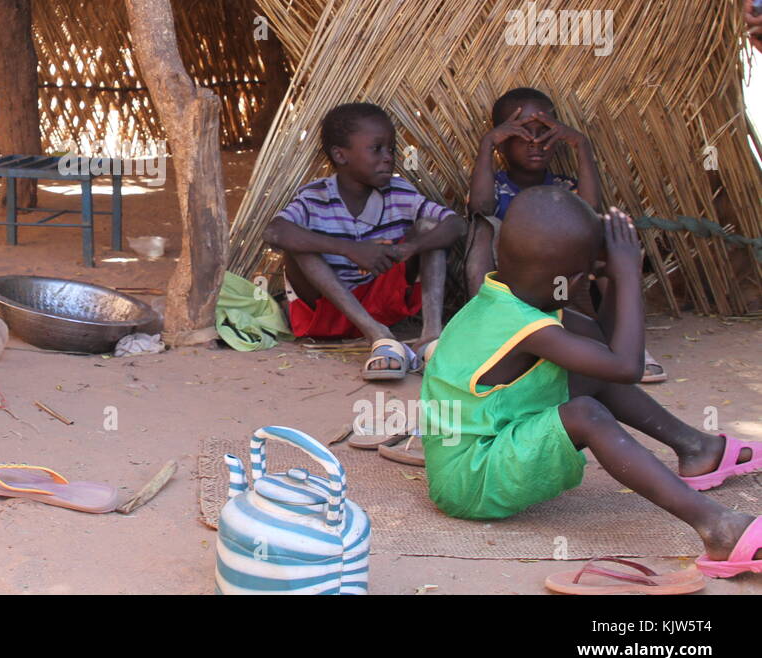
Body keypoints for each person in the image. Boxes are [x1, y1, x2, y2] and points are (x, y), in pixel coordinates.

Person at [421, 187, 762, 577]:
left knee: (588, 367)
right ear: (575, 278)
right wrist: (629, 276)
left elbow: (605, 350)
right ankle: (717, 528)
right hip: (470, 481)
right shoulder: (526, 327)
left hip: (485, 447)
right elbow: (627, 366)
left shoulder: (509, 297)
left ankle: (697, 449)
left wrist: (614, 282)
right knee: (586, 414)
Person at [465, 86, 665, 382]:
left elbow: (589, 211)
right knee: (482, 228)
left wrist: (582, 145)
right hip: (513, 289)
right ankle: (482, 334)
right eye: (522, 133)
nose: (536, 142)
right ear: (503, 142)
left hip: (564, 288)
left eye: (545, 132)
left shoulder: (563, 187)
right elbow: (480, 206)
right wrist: (487, 144)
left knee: (607, 239)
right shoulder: (495, 187)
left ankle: (627, 345)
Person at [263, 102, 465, 381]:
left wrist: (409, 248)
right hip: (327, 314)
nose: (388, 157)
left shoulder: (399, 194)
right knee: (298, 241)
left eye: (391, 149)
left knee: (430, 227)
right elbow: (274, 233)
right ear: (340, 155)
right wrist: (350, 249)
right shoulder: (315, 197)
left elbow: (456, 224)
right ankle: (378, 336)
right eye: (376, 148)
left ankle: (430, 338)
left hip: (383, 303)